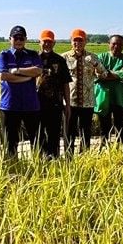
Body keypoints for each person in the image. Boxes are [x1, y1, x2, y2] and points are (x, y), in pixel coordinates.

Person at [0, 26, 44, 157]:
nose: (18, 41)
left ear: (25, 39)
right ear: (9, 39)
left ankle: (38, 167)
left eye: (21, 38)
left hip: (31, 105)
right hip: (9, 106)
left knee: (37, 140)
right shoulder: (4, 55)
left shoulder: (33, 55)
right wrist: (27, 77)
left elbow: (38, 71)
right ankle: (12, 168)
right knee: (10, 142)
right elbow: (3, 76)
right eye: (15, 38)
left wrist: (17, 71)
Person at [61, 29, 107, 153]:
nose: (78, 43)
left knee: (85, 131)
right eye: (75, 40)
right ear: (71, 41)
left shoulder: (92, 57)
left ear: (85, 41)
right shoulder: (64, 58)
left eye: (80, 40)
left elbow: (104, 75)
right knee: (69, 131)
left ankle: (84, 156)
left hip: (87, 102)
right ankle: (68, 158)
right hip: (70, 102)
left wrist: (96, 65)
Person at [37, 30, 71, 158]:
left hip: (55, 103)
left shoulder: (60, 60)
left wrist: (67, 105)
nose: (47, 44)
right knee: (38, 134)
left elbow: (65, 83)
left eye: (49, 42)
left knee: (54, 134)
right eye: (44, 41)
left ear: (54, 43)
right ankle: (40, 158)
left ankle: (54, 159)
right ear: (39, 42)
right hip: (36, 104)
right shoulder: (34, 59)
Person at [94, 35, 123, 146]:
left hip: (119, 97)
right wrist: (114, 74)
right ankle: (103, 148)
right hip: (103, 98)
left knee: (120, 126)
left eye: (120, 44)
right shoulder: (100, 57)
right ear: (109, 44)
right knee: (104, 127)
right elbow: (96, 74)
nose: (117, 46)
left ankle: (122, 149)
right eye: (114, 44)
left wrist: (105, 73)